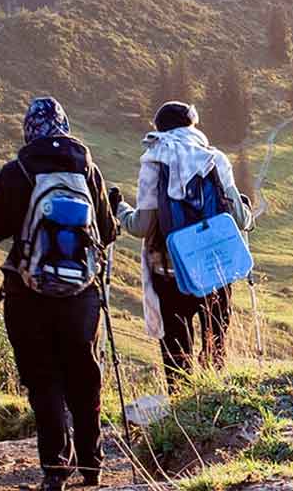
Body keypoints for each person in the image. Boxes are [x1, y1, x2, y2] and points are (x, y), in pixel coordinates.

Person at [0, 98, 118, 491]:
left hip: (28, 293)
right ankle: (93, 466)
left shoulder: (17, 170)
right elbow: (106, 233)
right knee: (85, 377)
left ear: (29, 130)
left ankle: (56, 469)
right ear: (64, 126)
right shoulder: (88, 169)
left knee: (43, 379)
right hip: (82, 295)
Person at [112, 101, 254, 386]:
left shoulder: (153, 161)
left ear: (159, 129)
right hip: (216, 270)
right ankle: (215, 406)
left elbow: (142, 226)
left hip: (170, 271)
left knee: (177, 353)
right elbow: (241, 219)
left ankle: (181, 408)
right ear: (193, 126)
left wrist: (120, 209)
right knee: (216, 347)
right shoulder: (214, 159)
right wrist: (247, 211)